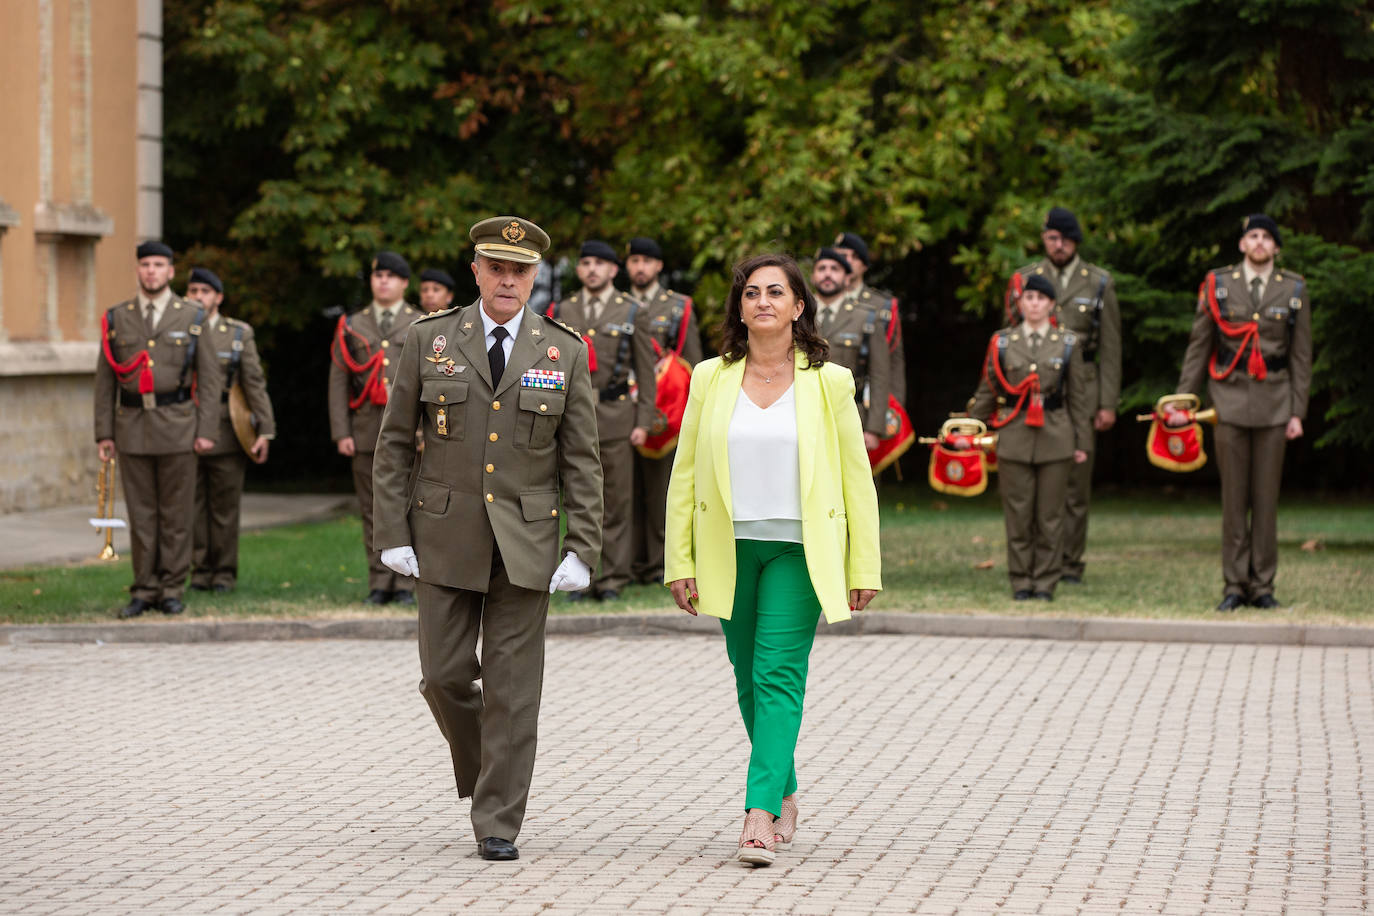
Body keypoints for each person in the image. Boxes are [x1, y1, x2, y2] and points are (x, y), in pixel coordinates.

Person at [371, 215, 603, 861]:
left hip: (526, 543)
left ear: (535, 277)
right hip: (443, 536)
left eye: (520, 270)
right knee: (444, 677)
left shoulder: (564, 349)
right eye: (496, 267)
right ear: (475, 270)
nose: (507, 279)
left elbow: (581, 458)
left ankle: (497, 818)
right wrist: (391, 531)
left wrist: (583, 546)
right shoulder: (431, 340)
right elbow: (392, 444)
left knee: (513, 689)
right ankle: (485, 771)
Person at [664, 253, 881, 866]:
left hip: (798, 550)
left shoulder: (829, 382)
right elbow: (684, 475)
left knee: (776, 674)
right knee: (745, 677)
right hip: (728, 549)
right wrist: (678, 559)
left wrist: (863, 566)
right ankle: (783, 786)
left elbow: (856, 479)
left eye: (776, 292)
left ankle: (757, 814)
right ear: (740, 307)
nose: (763, 301)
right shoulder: (710, 377)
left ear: (798, 306)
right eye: (752, 292)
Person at [1167, 214, 1311, 612]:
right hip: (1228, 399)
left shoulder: (1293, 288)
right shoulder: (1219, 285)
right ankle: (1234, 584)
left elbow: (1301, 355)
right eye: (1253, 236)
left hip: (1275, 402)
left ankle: (1262, 586)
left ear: (1276, 248)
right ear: (1242, 244)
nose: (1260, 242)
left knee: (1265, 499)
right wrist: (1182, 401)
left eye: (1267, 237)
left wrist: (1297, 411)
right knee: (1234, 500)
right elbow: (1199, 346)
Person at [94, 241, 224, 618]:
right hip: (131, 427)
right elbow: (105, 381)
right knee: (142, 515)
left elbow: (211, 379)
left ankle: (171, 588)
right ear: (138, 270)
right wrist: (104, 432)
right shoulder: (118, 317)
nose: (151, 271)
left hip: (179, 425)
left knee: (177, 515)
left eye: (159, 265)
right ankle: (144, 589)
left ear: (170, 272)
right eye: (145, 264)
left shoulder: (192, 315)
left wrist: (206, 430)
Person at [1006, 207, 1121, 583]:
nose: (1058, 245)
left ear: (1075, 242)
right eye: (1052, 238)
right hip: (1030, 392)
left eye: (1065, 239)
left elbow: (1110, 348)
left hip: (1081, 389)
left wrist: (1106, 403)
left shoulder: (1098, 282)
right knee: (1032, 489)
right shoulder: (1024, 280)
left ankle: (1069, 563)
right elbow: (1008, 342)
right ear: (1044, 239)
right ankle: (1037, 564)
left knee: (1074, 483)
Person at [966, 274, 1091, 601]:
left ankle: (1046, 582)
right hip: (1015, 434)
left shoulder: (1067, 343)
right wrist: (970, 430)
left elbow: (1078, 397)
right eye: (1029, 298)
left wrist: (1082, 443)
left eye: (1041, 298)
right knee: (1018, 516)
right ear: (1020, 303)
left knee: (1050, 516)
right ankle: (1021, 581)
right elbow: (988, 390)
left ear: (1051, 304)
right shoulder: (1002, 343)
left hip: (1056, 434)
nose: (1034, 303)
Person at [548, 240, 657, 600]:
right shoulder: (564, 308)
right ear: (578, 270)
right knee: (578, 500)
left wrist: (643, 421)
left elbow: (645, 372)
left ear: (613, 270)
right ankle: (582, 575)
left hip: (615, 418)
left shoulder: (631, 311)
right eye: (585, 263)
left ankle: (611, 578)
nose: (591, 269)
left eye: (600, 263)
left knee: (616, 503)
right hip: (572, 420)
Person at [328, 251, 423, 605]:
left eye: (391, 275)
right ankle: (379, 582)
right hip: (367, 428)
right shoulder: (353, 324)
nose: (383, 281)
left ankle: (407, 584)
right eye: (377, 275)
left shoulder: (420, 322)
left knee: (412, 507)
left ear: (403, 283)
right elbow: (339, 379)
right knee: (372, 510)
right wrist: (342, 432)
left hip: (412, 432)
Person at [184, 267, 276, 593]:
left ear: (218, 297)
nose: (198, 297)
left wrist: (265, 429)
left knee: (223, 508)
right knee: (192, 507)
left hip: (226, 428)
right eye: (193, 291)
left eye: (205, 292)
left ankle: (223, 573)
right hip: (185, 425)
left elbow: (253, 381)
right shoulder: (179, 329)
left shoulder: (237, 333)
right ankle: (199, 572)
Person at [625, 236, 704, 586]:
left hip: (664, 413)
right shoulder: (617, 304)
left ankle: (660, 564)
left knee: (661, 491)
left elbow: (691, 363)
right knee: (623, 491)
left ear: (658, 266)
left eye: (647, 260)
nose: (640, 267)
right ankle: (626, 563)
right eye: (634, 260)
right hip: (620, 406)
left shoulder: (677, 306)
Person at [810, 247, 889, 450]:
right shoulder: (798, 316)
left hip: (851, 414)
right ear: (812, 277)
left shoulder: (866, 317)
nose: (827, 273)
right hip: (806, 413)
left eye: (835, 269)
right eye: (822, 268)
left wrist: (873, 428)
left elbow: (879, 375)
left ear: (847, 279)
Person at [834, 230, 906, 410]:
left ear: (865, 265)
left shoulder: (882, 307)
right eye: (842, 256)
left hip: (864, 406)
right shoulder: (817, 304)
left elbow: (893, 364)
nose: (847, 261)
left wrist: (894, 411)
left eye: (855, 257)